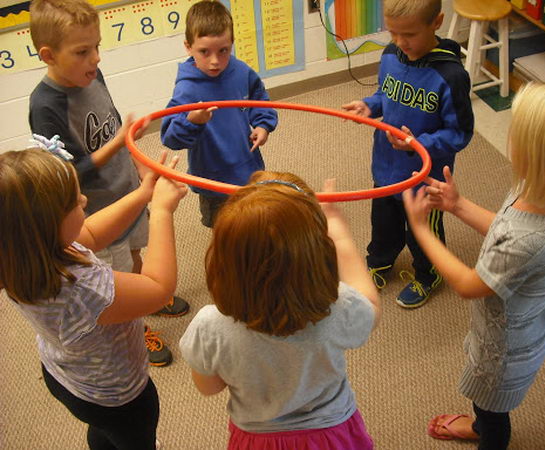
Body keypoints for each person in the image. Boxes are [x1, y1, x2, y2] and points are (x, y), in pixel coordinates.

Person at [401, 82, 545, 449]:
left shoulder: (533, 238)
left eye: (517, 133)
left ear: (538, 155)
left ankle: (485, 434)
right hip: (503, 329)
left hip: (504, 352)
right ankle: (482, 424)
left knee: (492, 414)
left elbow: (468, 283)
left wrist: (420, 230)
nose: (509, 137)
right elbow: (505, 228)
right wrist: (458, 205)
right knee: (487, 406)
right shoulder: (541, 191)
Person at [28, 0, 190, 366]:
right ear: (49, 55)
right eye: (84, 51)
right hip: (98, 209)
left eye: (97, 47)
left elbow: (119, 130)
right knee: (112, 272)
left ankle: (147, 296)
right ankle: (137, 321)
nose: (96, 58)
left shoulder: (91, 75)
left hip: (127, 188)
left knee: (133, 252)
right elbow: (68, 173)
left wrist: (140, 168)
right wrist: (117, 144)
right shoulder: (45, 104)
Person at [0, 147, 188, 449]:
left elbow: (90, 232)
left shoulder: (23, 254)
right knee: (133, 439)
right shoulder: (82, 289)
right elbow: (157, 289)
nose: (84, 201)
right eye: (75, 202)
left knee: (104, 434)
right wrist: (162, 212)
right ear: (48, 227)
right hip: (116, 396)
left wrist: (143, 194)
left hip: (65, 376)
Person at [179, 171, 380, 449]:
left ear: (223, 260)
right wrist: (340, 234)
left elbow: (208, 387)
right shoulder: (338, 306)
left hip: (257, 439)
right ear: (318, 252)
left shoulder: (209, 326)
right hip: (332, 433)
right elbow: (372, 306)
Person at [342, 0, 473, 308]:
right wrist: (369, 105)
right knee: (383, 222)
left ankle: (429, 275)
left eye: (410, 34)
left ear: (437, 22)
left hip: (425, 179)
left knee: (422, 231)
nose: (401, 43)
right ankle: (379, 261)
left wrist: (421, 144)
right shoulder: (390, 55)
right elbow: (384, 93)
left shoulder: (451, 76)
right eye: (393, 33)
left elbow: (460, 133)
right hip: (386, 167)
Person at [161, 0, 278, 228]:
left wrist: (263, 124)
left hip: (248, 166)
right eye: (204, 52)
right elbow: (169, 137)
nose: (215, 61)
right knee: (224, 230)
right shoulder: (187, 89)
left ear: (232, 44)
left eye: (223, 51)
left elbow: (259, 98)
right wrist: (192, 121)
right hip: (212, 177)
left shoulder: (241, 71)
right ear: (188, 47)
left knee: (253, 220)